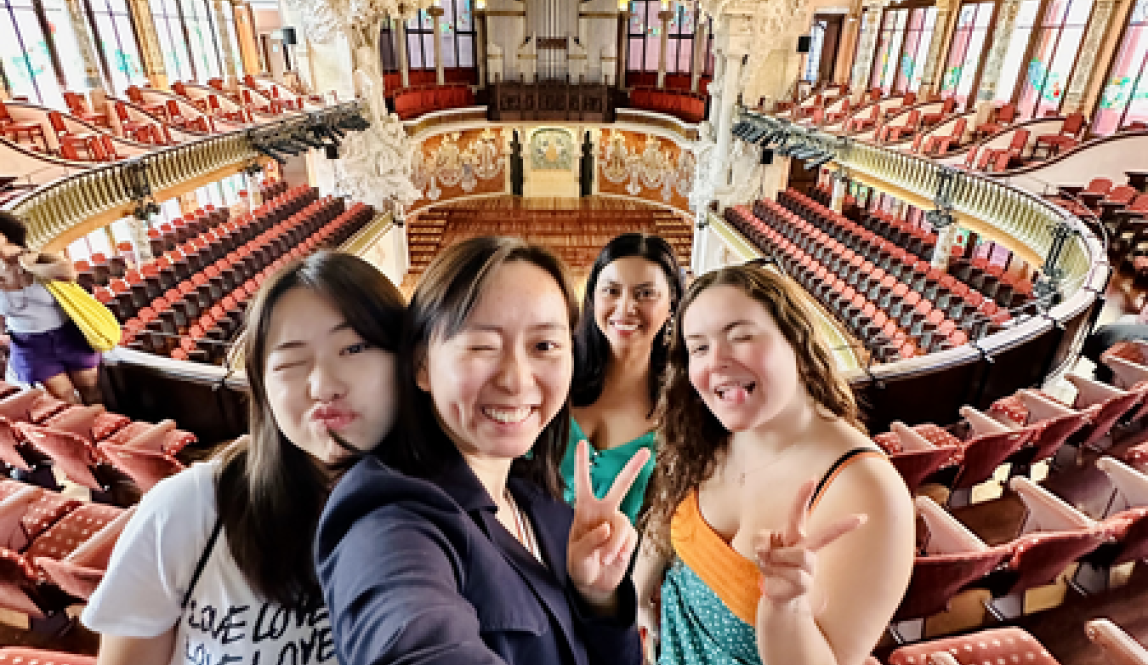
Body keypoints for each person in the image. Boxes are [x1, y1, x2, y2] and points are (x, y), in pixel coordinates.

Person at [316, 236, 644, 665]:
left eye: (544, 346)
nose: (516, 380)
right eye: (481, 346)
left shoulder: (540, 504)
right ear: (421, 365)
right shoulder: (389, 517)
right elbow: (412, 638)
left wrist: (597, 599)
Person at [81, 251, 405, 665]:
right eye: (291, 361)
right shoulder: (189, 507)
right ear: (261, 387)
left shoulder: (468, 514)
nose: (323, 386)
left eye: (355, 347)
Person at [634, 265, 914, 665]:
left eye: (741, 337)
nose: (716, 363)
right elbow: (670, 506)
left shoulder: (868, 492)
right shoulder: (709, 433)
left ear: (796, 341)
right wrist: (639, 594)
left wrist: (787, 608)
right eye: (698, 347)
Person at [561, 233, 683, 523]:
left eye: (645, 293)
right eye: (611, 291)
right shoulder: (556, 372)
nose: (626, 307)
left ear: (672, 303)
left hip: (624, 564)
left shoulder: (683, 403)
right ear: (592, 296)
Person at [0, 211, 103, 404]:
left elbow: (69, 274)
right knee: (65, 398)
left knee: (90, 390)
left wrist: (26, 265)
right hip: (31, 343)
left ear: (4, 235)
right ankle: (82, 431)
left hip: (68, 334)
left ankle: (103, 428)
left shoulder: (37, 258)